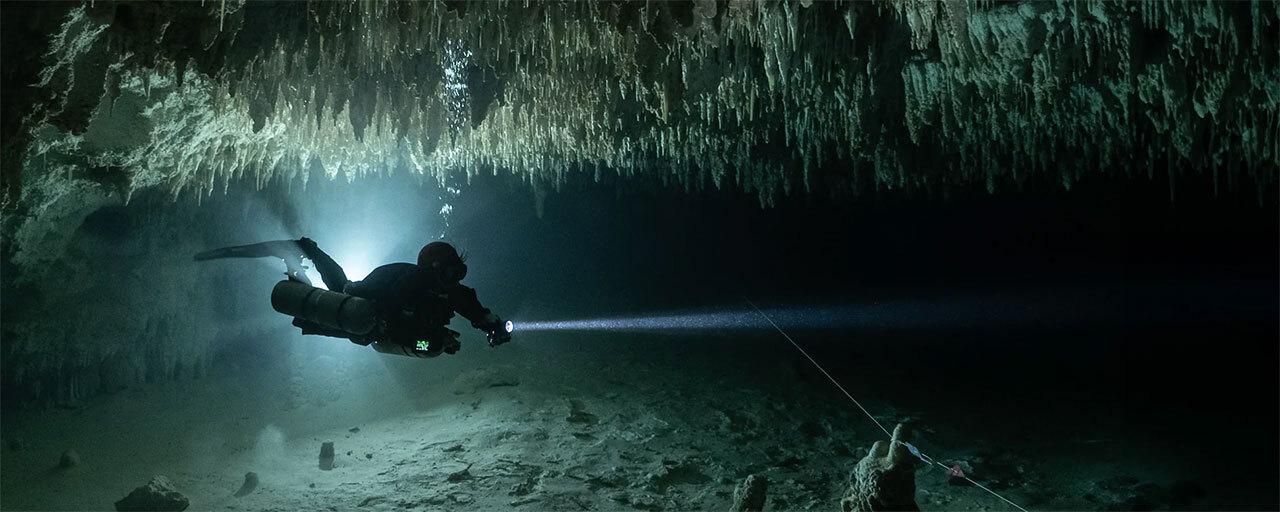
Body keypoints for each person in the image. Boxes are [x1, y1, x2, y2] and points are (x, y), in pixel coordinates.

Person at [196, 238, 510, 356]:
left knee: (430, 345)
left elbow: (472, 307)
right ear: (433, 269)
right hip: (369, 314)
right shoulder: (410, 282)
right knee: (337, 290)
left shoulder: (451, 292)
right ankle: (305, 255)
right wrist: (439, 337)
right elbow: (388, 306)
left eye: (458, 273)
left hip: (386, 332)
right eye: (449, 273)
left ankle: (303, 261)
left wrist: (491, 324)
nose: (452, 281)